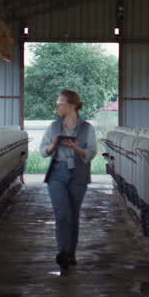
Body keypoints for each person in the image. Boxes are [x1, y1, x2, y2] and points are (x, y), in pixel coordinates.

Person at [38, 89, 97, 270]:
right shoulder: (53, 127)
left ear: (71, 106)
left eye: (60, 103)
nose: (57, 106)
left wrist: (75, 147)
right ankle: (63, 252)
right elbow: (43, 151)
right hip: (57, 172)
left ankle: (71, 253)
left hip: (78, 172)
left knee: (73, 215)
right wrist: (54, 145)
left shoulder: (87, 128)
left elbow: (91, 152)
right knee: (62, 213)